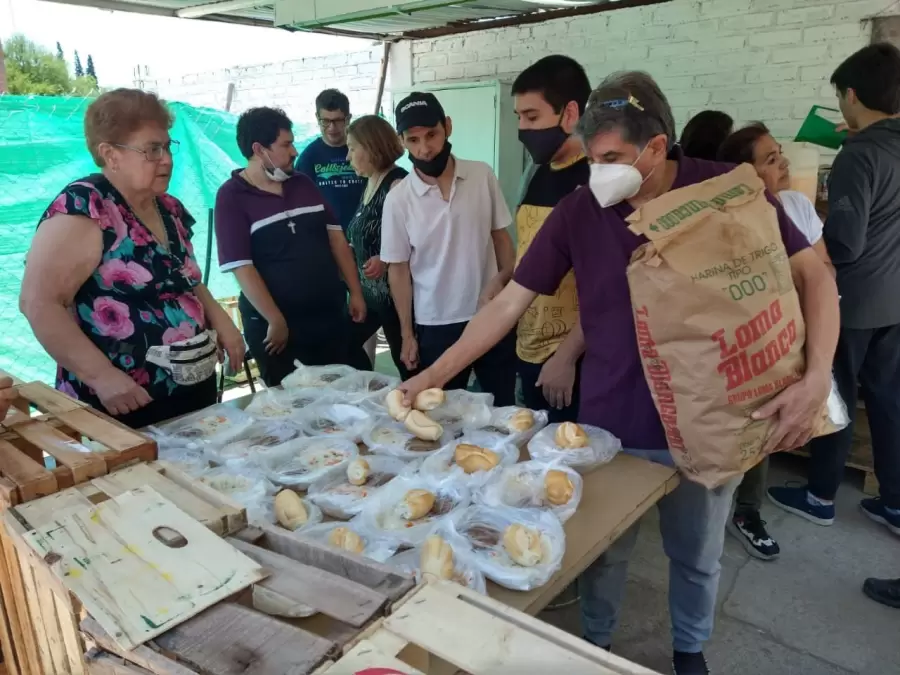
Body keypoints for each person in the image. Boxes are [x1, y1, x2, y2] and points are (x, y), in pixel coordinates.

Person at [399, 72, 839, 675]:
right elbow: (507, 305)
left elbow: (814, 276)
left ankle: (689, 650)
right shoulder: (580, 212)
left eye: (610, 159)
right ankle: (597, 646)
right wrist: (433, 374)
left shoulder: (725, 192)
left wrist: (816, 377)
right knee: (604, 553)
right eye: (591, 157)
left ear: (655, 147)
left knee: (697, 553)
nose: (596, 172)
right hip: (613, 421)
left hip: (712, 418)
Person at [20, 89, 244, 427]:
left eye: (167, 147)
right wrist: (101, 376)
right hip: (124, 400)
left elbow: (187, 279)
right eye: (152, 149)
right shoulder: (86, 208)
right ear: (110, 154)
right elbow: (38, 303)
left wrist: (223, 322)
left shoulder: (169, 208)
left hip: (191, 383)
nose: (166, 159)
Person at [767, 43, 900, 537]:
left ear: (851, 95)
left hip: (856, 302)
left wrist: (808, 239)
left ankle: (819, 495)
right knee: (887, 399)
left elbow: (845, 244)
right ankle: (894, 502)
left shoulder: (858, 156)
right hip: (895, 299)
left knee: (833, 393)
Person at [711, 122, 834, 561]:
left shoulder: (797, 205)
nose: (783, 163)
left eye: (779, 153)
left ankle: (748, 511)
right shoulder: (725, 218)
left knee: (769, 420)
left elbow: (823, 267)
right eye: (770, 159)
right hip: (743, 337)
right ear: (743, 173)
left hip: (792, 333)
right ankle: (710, 506)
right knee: (737, 420)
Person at [214, 106, 367, 387]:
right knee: (295, 401)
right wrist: (275, 319)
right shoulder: (231, 197)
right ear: (259, 150)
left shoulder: (302, 183)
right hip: (278, 331)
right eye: (286, 145)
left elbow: (336, 239)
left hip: (329, 317)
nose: (294, 151)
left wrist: (355, 292)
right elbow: (242, 267)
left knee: (351, 388)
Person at [381, 92, 517, 405]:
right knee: (443, 411)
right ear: (402, 141)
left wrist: (510, 300)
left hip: (490, 313)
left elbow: (501, 239)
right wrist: (407, 334)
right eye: (413, 140)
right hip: (435, 323)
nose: (424, 149)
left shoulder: (481, 175)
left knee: (502, 407)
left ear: (448, 127)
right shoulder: (399, 199)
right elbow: (398, 270)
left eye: (432, 135)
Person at [511, 55, 591, 422]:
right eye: (519, 117)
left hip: (572, 360)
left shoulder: (596, 181)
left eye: (531, 117)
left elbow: (613, 285)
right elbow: (531, 249)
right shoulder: (536, 172)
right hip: (528, 344)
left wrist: (567, 357)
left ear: (570, 113)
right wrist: (503, 279)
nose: (522, 129)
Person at [344, 115, 410, 377]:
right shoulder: (370, 181)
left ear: (372, 148)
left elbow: (419, 240)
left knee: (407, 363)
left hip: (395, 298)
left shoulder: (397, 184)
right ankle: (367, 389)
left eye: (352, 148)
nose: (348, 157)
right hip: (370, 295)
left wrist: (385, 259)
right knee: (343, 346)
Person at [295, 89, 366, 232]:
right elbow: (300, 204)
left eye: (338, 121)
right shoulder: (308, 158)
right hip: (327, 238)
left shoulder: (364, 150)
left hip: (365, 234)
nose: (332, 128)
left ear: (348, 118)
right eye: (326, 121)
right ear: (317, 118)